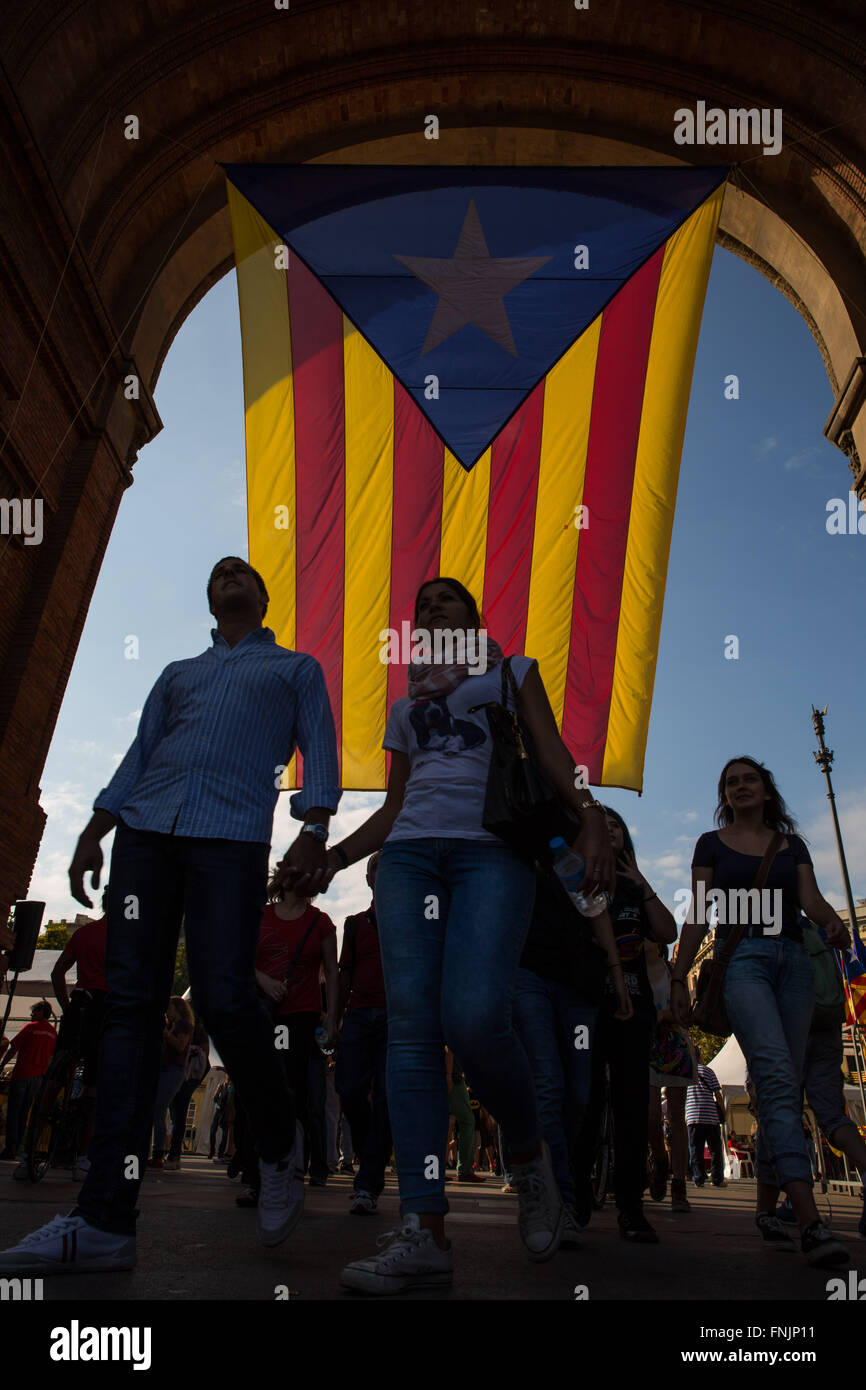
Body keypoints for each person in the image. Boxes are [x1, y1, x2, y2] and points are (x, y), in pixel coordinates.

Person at [0, 555, 341, 1276]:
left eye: (239, 569)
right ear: (209, 600)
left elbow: (322, 747)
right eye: (217, 571)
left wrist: (314, 828)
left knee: (223, 995)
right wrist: (98, 824)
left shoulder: (294, 669)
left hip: (231, 835)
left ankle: (280, 1144)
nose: (227, 573)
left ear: (260, 594)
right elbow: (141, 750)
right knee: (130, 1009)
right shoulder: (178, 673)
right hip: (147, 832)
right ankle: (103, 1220)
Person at [305, 576, 616, 1294]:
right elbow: (393, 807)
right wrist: (335, 857)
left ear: (473, 615)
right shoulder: (405, 705)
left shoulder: (512, 671)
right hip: (411, 857)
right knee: (413, 1035)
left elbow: (548, 752)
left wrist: (589, 811)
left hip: (491, 852)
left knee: (476, 1019)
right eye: (424, 606)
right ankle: (425, 1231)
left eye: (448, 599)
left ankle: (529, 1153)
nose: (434, 608)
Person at [671, 755, 851, 1268]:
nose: (740, 787)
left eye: (749, 779)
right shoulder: (710, 843)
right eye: (731, 782)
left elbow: (811, 900)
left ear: (767, 791)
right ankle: (810, 1221)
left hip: (793, 962)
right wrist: (681, 975)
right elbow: (699, 912)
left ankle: (769, 1209)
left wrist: (833, 927)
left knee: (784, 1084)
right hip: (743, 960)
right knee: (774, 1073)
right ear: (724, 795)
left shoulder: (791, 846)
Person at [512, 863, 630, 1243]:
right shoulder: (516, 843)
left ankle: (555, 1185)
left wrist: (616, 973)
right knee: (548, 1083)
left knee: (579, 1093)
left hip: (580, 988)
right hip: (528, 976)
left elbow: (596, 910)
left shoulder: (577, 846)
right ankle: (558, 1200)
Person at [574, 807, 676, 1243]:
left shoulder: (636, 887)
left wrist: (642, 883)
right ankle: (577, 1196)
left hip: (635, 1008)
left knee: (633, 1106)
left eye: (617, 826)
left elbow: (667, 931)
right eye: (604, 825)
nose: (610, 830)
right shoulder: (579, 878)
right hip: (587, 1006)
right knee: (586, 1101)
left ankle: (631, 1207)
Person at [236, 881, 337, 1206]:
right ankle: (254, 1177)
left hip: (300, 1016)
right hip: (262, 1012)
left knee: (293, 1094)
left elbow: (332, 973)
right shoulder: (258, 916)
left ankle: (289, 1171)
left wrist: (333, 1016)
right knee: (255, 1092)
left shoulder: (320, 922)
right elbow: (237, 959)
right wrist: (263, 980)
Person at [334, 853, 392, 1214]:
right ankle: (371, 1150)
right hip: (358, 1015)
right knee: (348, 1090)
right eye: (375, 869)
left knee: (386, 1098)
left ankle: (367, 1184)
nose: (380, 873)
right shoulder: (354, 924)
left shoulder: (409, 919)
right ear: (368, 880)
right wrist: (334, 1020)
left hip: (394, 1017)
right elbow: (344, 975)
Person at [49, 891, 110, 1179]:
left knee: (54, 1075)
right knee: (94, 1084)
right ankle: (83, 1157)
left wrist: (66, 1006)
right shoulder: (127, 939)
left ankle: (28, 1152)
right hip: (103, 1006)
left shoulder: (85, 933)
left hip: (79, 1002)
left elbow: (57, 973)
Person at [0, 1001, 57, 1161]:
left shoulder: (30, 1028)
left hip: (23, 1074)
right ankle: (19, 1148)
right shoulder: (53, 1033)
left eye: (34, 1012)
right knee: (25, 1113)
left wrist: (3, 1065)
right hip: (39, 1077)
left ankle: (10, 1148)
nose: (32, 1015)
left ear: (41, 1012)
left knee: (14, 1112)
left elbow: (13, 1049)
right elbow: (51, 1057)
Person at [150, 997, 195, 1167]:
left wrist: (166, 1035)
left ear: (177, 1008)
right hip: (165, 1068)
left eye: (169, 1008)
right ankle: (158, 1151)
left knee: (159, 1108)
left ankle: (158, 1152)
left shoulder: (183, 1025)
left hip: (174, 1069)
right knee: (159, 1110)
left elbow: (180, 1046)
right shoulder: (172, 1025)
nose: (167, 1012)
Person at [165, 1011, 211, 1169]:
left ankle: (173, 1154)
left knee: (178, 1114)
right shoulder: (178, 1026)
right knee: (175, 1114)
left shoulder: (194, 1029)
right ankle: (172, 1153)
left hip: (187, 1076)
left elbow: (205, 1056)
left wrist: (196, 1078)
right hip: (183, 1075)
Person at [685, 1047, 726, 1187]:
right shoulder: (708, 1071)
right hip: (710, 1116)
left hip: (692, 1116)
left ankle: (699, 1178)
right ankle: (717, 1178)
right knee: (715, 1149)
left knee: (696, 1149)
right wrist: (723, 1111)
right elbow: (718, 1095)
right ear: (700, 1056)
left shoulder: (684, 1072)